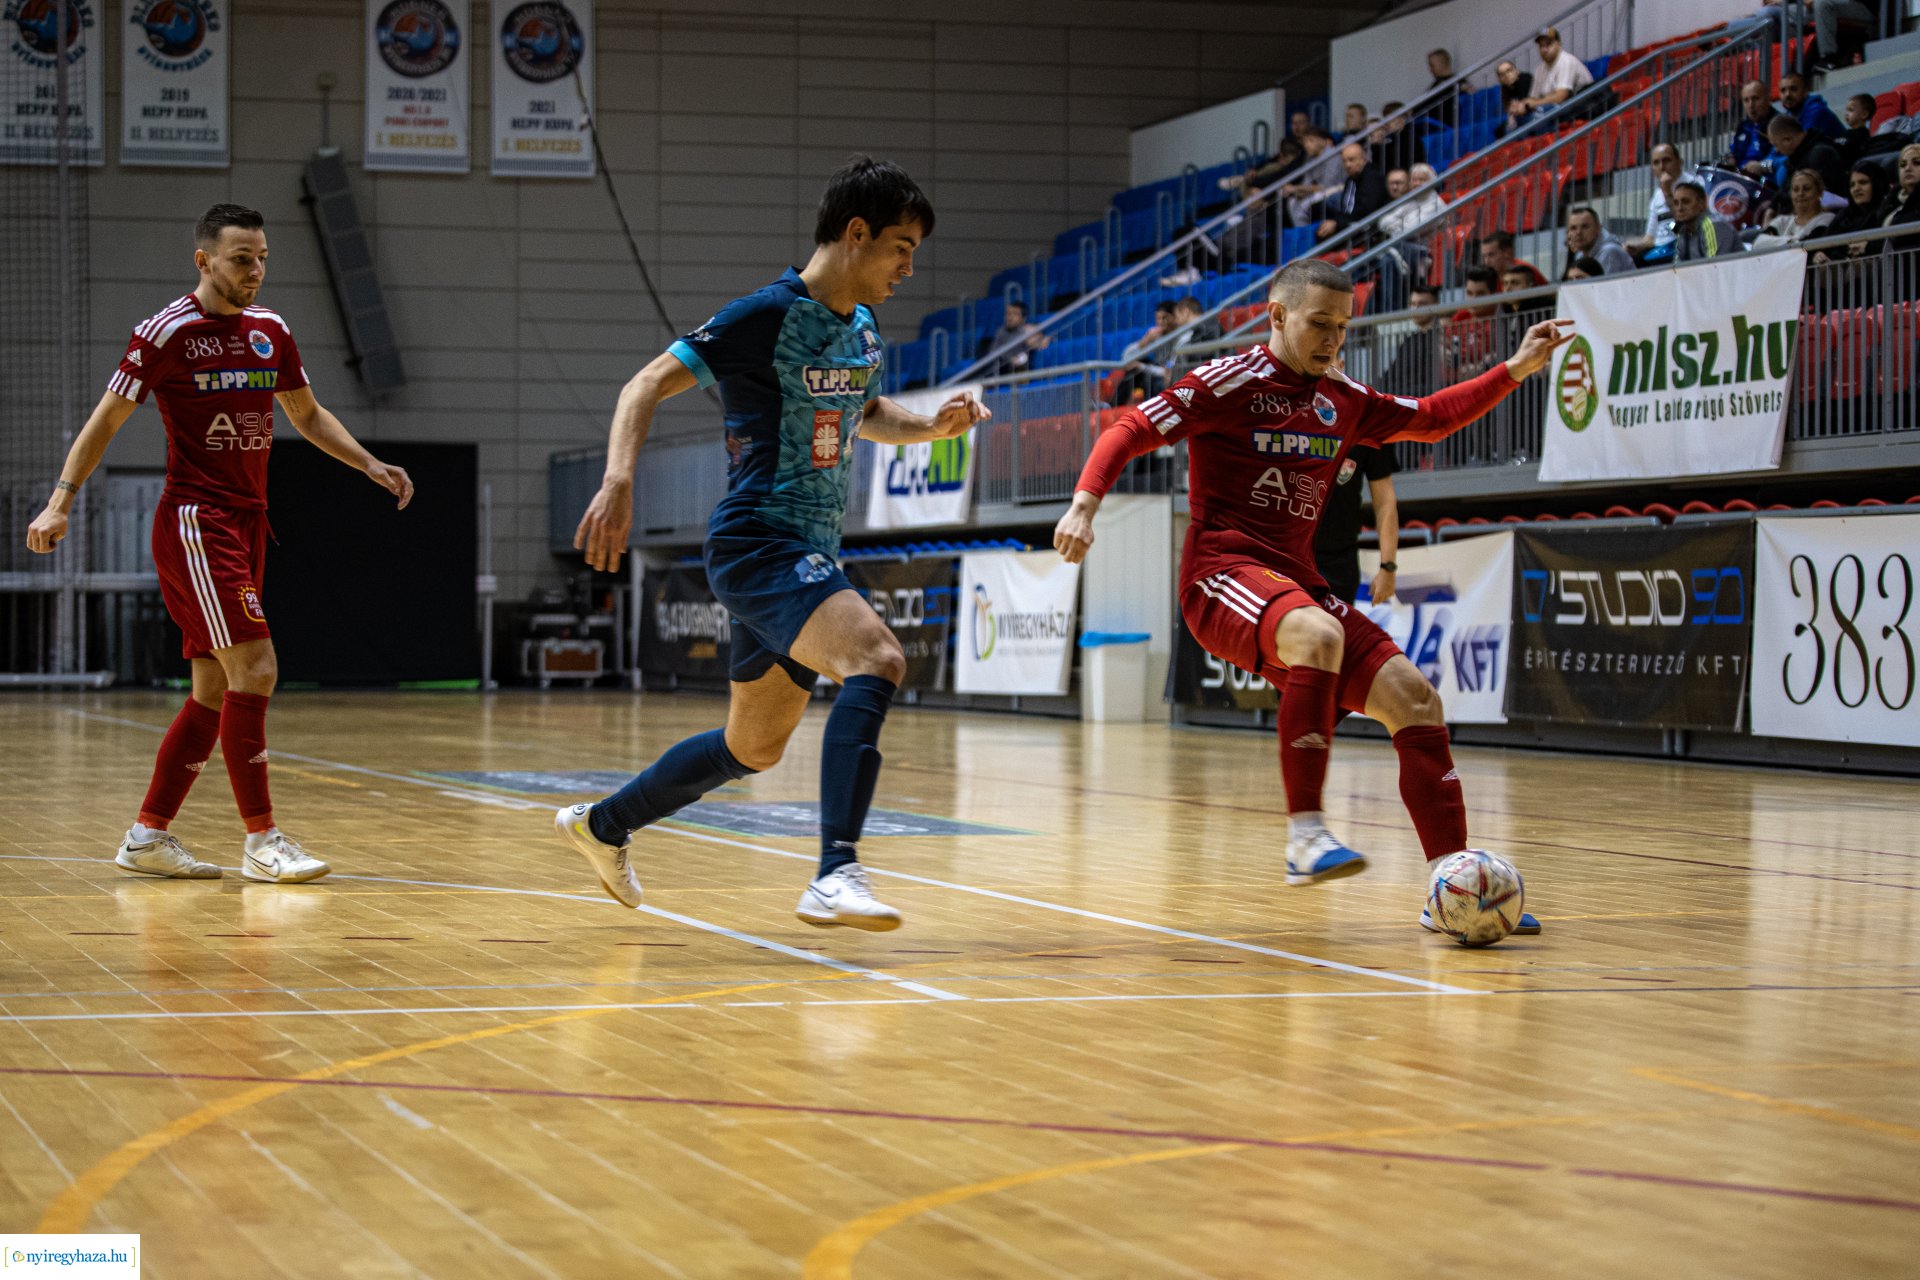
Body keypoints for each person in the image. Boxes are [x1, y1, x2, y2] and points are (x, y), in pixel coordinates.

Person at [1052, 258, 1567, 932]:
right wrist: (1084, 506)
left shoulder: (1343, 397)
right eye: (1318, 324)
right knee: (1318, 637)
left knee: (1417, 701)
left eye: (1342, 327)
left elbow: (1433, 419)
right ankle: (1305, 837)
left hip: (1296, 584)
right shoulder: (1229, 380)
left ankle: (1455, 890)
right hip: (1220, 575)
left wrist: (1515, 370)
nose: (1332, 339)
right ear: (1277, 317)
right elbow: (1129, 428)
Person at [562, 157, 988, 931]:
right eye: (900, 246)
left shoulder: (860, 327)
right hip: (759, 536)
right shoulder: (764, 314)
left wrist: (930, 426)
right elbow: (644, 383)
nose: (908, 266)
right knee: (878, 658)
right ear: (855, 234)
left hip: (809, 545)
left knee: (752, 747)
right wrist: (619, 480)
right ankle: (835, 871)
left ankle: (602, 825)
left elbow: (862, 411)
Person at [23, 203, 415, 884]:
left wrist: (369, 463)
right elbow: (106, 420)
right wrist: (61, 500)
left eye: (262, 257)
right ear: (203, 261)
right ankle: (263, 841)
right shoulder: (165, 332)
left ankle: (147, 836)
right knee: (257, 669)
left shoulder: (271, 331)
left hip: (247, 520)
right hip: (196, 524)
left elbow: (308, 415)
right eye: (241, 258)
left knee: (212, 685)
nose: (255, 271)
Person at [1314, 443, 1399, 607]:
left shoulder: (1367, 422)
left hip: (1339, 559)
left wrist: (1388, 566)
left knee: (1335, 631)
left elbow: (1384, 501)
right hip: (1289, 555)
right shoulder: (1290, 419)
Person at [1812, 162, 1892, 263]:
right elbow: (1823, 244)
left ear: (1877, 183)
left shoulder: (1887, 210)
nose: (1856, 189)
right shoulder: (1845, 214)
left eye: (1863, 182)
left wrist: (1868, 247)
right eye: (1852, 185)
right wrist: (1819, 254)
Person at [1317, 142, 1390, 240]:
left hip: (1366, 230)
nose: (1347, 165)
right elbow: (1346, 210)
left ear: (1363, 159)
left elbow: (1365, 213)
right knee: (1320, 230)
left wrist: (1337, 223)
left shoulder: (1373, 178)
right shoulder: (1350, 180)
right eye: (1344, 161)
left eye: (1351, 160)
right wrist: (1335, 221)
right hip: (1349, 225)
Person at [1382, 283, 1445, 396]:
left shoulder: (1441, 339)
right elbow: (1391, 375)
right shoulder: (1410, 340)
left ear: (1436, 306)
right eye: (1413, 304)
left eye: (1422, 304)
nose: (1415, 309)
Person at [1753, 169, 1837, 248]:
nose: (1800, 193)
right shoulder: (1782, 221)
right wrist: (1794, 240)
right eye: (1796, 190)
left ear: (1820, 193)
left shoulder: (1827, 218)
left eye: (1807, 189)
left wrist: (1775, 242)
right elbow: (1758, 244)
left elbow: (1808, 245)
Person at [1630, 142, 1686, 256]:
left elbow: (1687, 226)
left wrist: (1667, 191)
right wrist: (1632, 247)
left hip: (1681, 247)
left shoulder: (1692, 186)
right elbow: (1650, 237)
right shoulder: (1657, 195)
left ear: (1680, 162)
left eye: (1667, 160)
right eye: (1656, 163)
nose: (1662, 167)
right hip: (1659, 250)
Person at [1446, 266, 1501, 381]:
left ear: (1493, 294)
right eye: (1469, 293)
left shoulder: (1501, 319)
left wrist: (1480, 366)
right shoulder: (1460, 317)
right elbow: (1445, 349)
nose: (1473, 299)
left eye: (1480, 294)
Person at [1116, 301, 1179, 401]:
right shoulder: (1156, 337)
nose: (1161, 322)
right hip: (1158, 372)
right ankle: (1111, 405)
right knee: (1135, 368)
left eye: (1165, 318)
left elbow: (1169, 372)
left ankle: (1150, 413)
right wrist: (1145, 341)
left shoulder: (1179, 338)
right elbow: (1125, 359)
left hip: (1170, 377)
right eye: (1158, 318)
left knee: (1150, 379)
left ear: (1175, 317)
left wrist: (1141, 366)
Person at [1768, 113, 1846, 194]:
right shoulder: (1794, 159)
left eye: (1776, 145)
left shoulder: (1820, 156)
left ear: (1788, 139)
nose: (1776, 150)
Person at [1669, 179, 1745, 260]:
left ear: (1701, 204)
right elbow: (1678, 268)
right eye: (1676, 203)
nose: (1679, 208)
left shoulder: (1714, 226)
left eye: (1686, 202)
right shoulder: (1683, 231)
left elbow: (1714, 266)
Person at [1282, 127, 1343, 228]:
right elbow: (1307, 182)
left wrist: (1296, 188)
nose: (1307, 145)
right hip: (1319, 191)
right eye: (1305, 142)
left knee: (1306, 203)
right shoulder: (1310, 157)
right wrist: (1297, 192)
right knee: (1293, 201)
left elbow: (1327, 186)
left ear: (1323, 141)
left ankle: (1308, 234)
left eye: (1311, 140)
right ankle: (1302, 233)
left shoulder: (1332, 155)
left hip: (1336, 190)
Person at [1724, 80, 1779, 177]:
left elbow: (1781, 157)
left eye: (1755, 98)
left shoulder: (1779, 123)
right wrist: (1730, 159)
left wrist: (1762, 165)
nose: (1751, 105)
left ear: (1768, 98)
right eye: (1746, 100)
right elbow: (1733, 152)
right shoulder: (1743, 126)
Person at [982, 299, 1049, 375]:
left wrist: (1040, 340)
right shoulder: (1001, 331)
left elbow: (1040, 342)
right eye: (1008, 314)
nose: (1010, 317)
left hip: (1019, 368)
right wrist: (1010, 358)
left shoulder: (1029, 330)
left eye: (1015, 314)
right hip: (1001, 364)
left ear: (1023, 319)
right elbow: (993, 350)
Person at [1565, 205, 1634, 275]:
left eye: (1585, 227)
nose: (1578, 232)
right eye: (1573, 228)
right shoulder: (1579, 255)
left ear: (1598, 228)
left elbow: (1605, 285)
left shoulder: (1609, 252)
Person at [1779, 72, 1845, 140]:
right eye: (1783, 90)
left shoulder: (1816, 111)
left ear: (1805, 91)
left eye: (1793, 89)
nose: (1787, 94)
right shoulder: (1787, 116)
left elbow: (1803, 142)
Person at [1478, 230, 1547, 288]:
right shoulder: (1488, 277)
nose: (1486, 261)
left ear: (1507, 253)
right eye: (1484, 256)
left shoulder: (1527, 271)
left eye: (1491, 255)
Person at [1493, 60, 1534, 137]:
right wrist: (1511, 115)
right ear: (1499, 80)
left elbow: (1523, 107)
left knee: (1514, 128)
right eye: (1502, 74)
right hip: (1520, 117)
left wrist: (1514, 110)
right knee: (1500, 130)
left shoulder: (1525, 78)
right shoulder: (1505, 89)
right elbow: (1509, 108)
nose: (1507, 75)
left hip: (1534, 113)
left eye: (1509, 71)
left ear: (1517, 71)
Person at [1838, 93, 1877, 167]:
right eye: (1847, 110)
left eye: (1851, 110)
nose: (1846, 114)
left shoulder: (1862, 134)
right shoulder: (1847, 132)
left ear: (1864, 114)